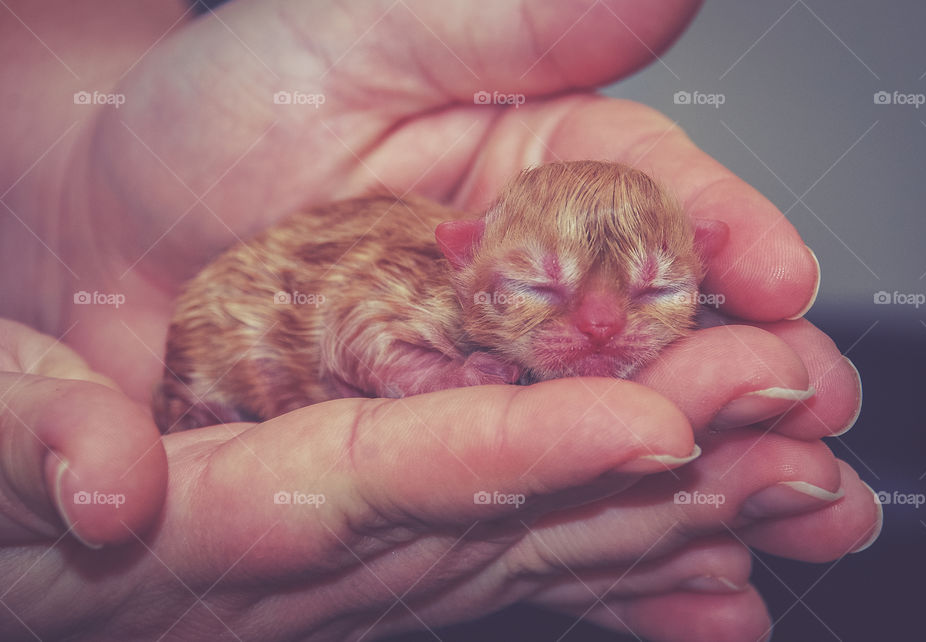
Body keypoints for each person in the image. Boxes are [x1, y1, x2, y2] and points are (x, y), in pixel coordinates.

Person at [0, 1, 877, 640]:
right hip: (241, 348)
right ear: (462, 259)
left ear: (701, 268)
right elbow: (354, 331)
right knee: (209, 340)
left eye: (655, 297)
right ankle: (196, 408)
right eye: (539, 292)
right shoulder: (415, 289)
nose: (606, 330)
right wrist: (441, 377)